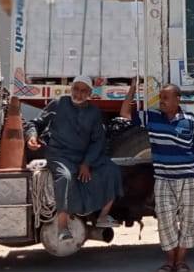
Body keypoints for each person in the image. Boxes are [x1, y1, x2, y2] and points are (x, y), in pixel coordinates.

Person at [121, 83, 194, 272]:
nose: (161, 101)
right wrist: (132, 88)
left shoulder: (190, 120)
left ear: (177, 99)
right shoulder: (152, 117)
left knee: (190, 220)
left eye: (165, 98)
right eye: (160, 97)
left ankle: (181, 261)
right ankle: (169, 261)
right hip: (163, 179)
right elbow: (125, 113)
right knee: (165, 220)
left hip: (189, 178)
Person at [25, 76, 122, 243]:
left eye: (83, 91)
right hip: (59, 155)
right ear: (71, 89)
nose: (78, 94)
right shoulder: (58, 104)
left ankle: (103, 216)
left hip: (83, 157)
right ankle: (62, 227)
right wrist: (31, 137)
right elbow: (35, 123)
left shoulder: (94, 112)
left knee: (111, 170)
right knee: (65, 177)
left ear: (90, 93)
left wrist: (86, 163)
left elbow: (98, 141)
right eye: (76, 89)